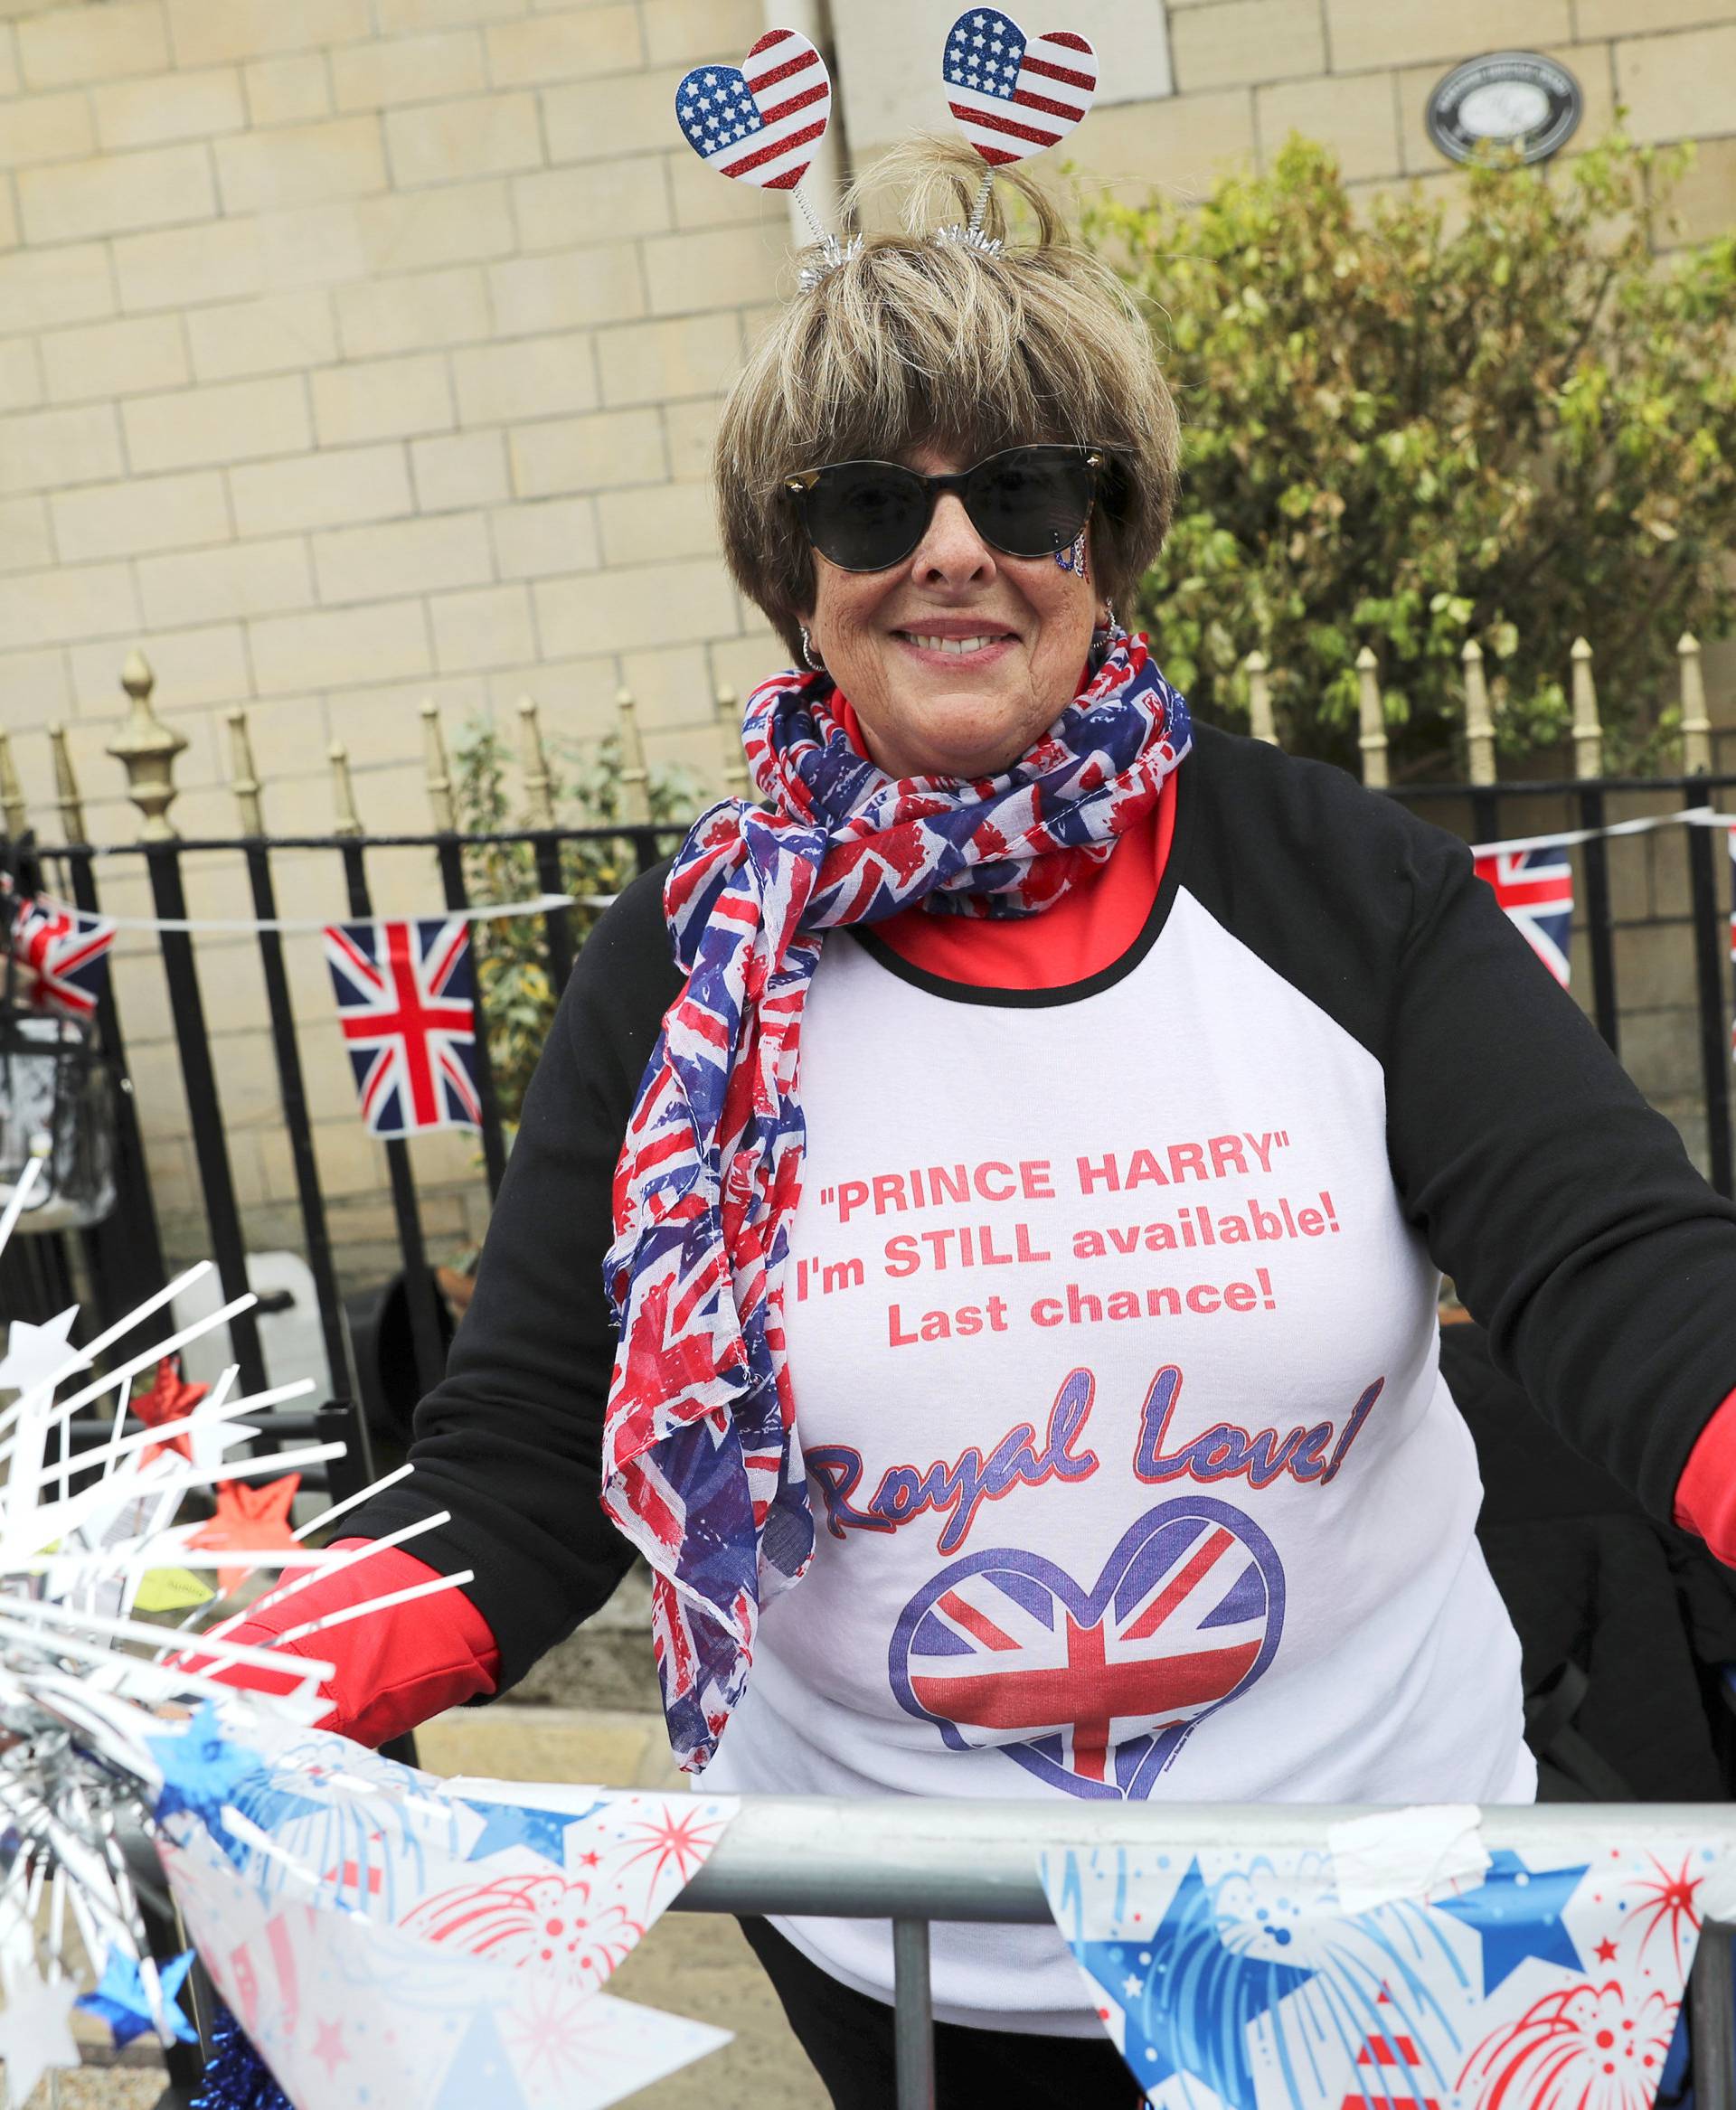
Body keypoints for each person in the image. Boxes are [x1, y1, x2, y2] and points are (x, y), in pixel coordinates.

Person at [199, 144, 1736, 2109]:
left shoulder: (1340, 890)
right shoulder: (689, 964)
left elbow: (1619, 1269)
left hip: (1394, 1937)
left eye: (1021, 490)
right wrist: (231, 1680)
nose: (951, 550)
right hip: (923, 1961)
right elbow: (523, 1451)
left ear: (1106, 536)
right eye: (870, 501)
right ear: (797, 572)